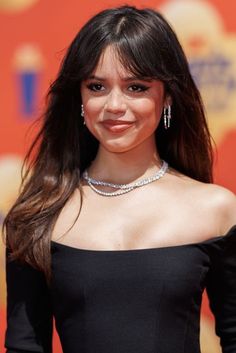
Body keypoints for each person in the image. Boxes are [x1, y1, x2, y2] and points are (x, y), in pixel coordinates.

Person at [2, 5, 236, 353]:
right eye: (97, 86)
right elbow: (25, 345)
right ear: (79, 96)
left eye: (136, 87)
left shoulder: (216, 209)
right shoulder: (38, 216)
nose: (114, 105)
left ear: (167, 94)